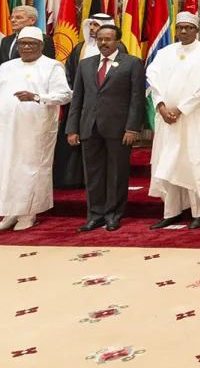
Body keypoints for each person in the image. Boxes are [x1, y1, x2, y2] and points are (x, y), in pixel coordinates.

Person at [146, 13, 200, 230]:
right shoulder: (164, 54)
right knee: (169, 164)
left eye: (188, 28)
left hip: (195, 120)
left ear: (196, 30)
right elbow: (154, 82)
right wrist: (162, 107)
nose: (183, 32)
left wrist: (181, 109)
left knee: (195, 163)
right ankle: (171, 211)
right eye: (180, 27)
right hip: (168, 122)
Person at [66, 23, 145, 232]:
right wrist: (72, 128)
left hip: (119, 129)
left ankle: (113, 214)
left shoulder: (132, 63)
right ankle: (95, 215)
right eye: (100, 39)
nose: (103, 43)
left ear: (118, 42)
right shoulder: (85, 64)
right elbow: (78, 99)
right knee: (92, 174)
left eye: (108, 39)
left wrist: (132, 128)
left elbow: (137, 99)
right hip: (89, 127)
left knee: (117, 173)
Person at [0, 27, 71, 231]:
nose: (27, 47)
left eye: (32, 43)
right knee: (8, 169)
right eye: (23, 43)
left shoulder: (52, 66)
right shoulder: (6, 66)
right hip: (7, 128)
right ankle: (11, 211)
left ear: (41, 46)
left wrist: (36, 97)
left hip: (36, 127)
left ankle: (29, 213)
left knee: (30, 169)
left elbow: (65, 95)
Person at [57, 13, 112, 190]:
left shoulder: (118, 49)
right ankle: (72, 179)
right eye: (92, 26)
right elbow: (69, 72)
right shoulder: (80, 48)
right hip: (80, 102)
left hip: (105, 106)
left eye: (97, 25)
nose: (94, 29)